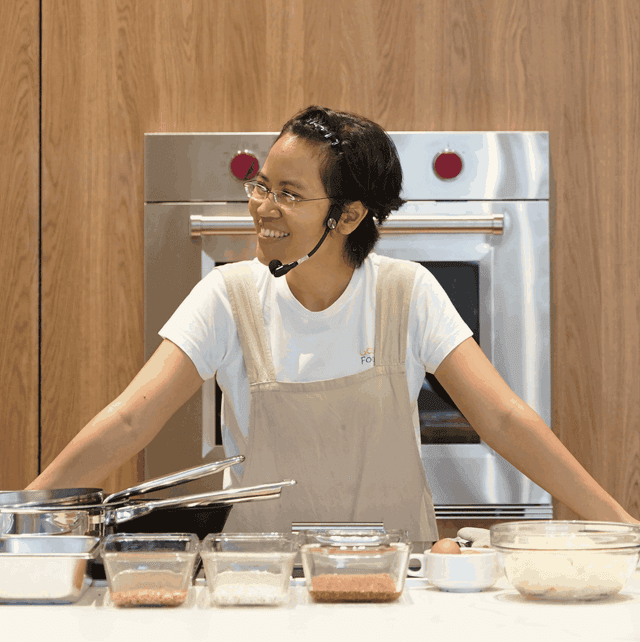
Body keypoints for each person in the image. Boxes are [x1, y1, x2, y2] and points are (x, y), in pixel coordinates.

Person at [27, 105, 640, 543]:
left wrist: (619, 526)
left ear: (348, 216)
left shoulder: (407, 293)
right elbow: (131, 417)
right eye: (261, 184)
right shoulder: (227, 296)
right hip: (264, 584)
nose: (262, 208)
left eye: (289, 194)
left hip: (394, 579)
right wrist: (26, 513)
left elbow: (505, 418)